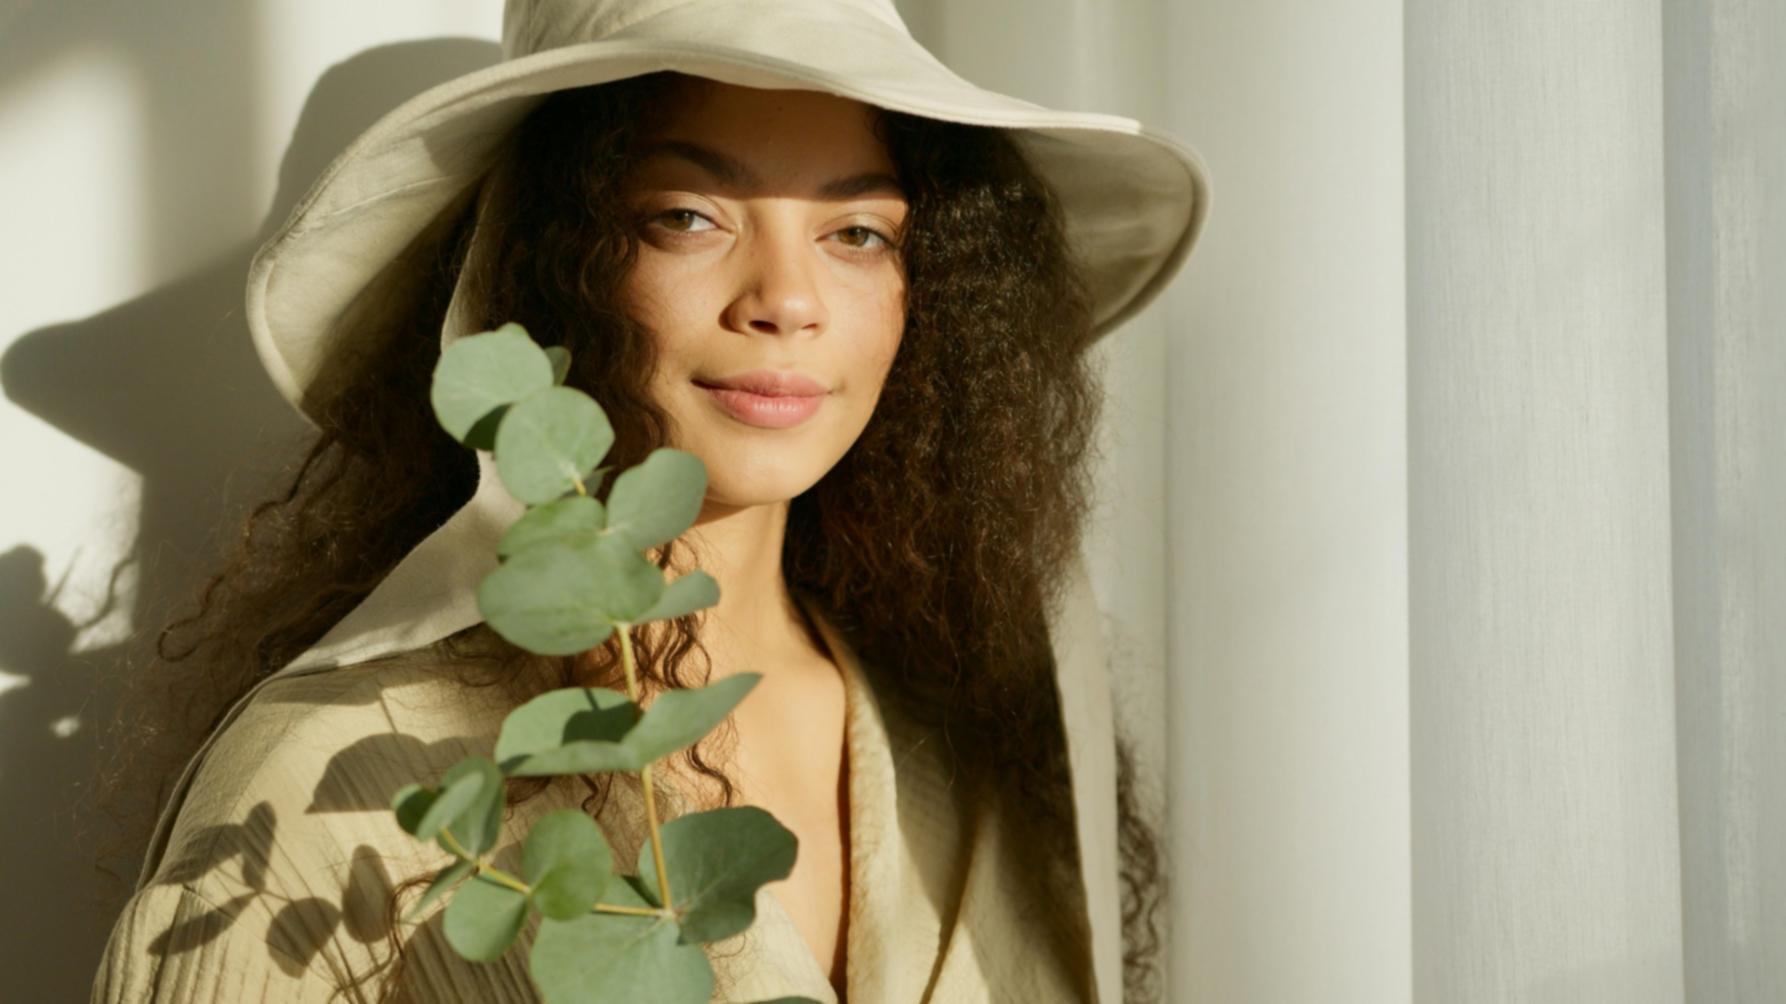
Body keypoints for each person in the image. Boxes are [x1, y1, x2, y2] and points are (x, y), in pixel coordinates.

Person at [88, 2, 1211, 1001]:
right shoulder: (339, 776)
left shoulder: (974, 752)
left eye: (857, 232)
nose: (786, 299)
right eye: (689, 215)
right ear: (543, 267)